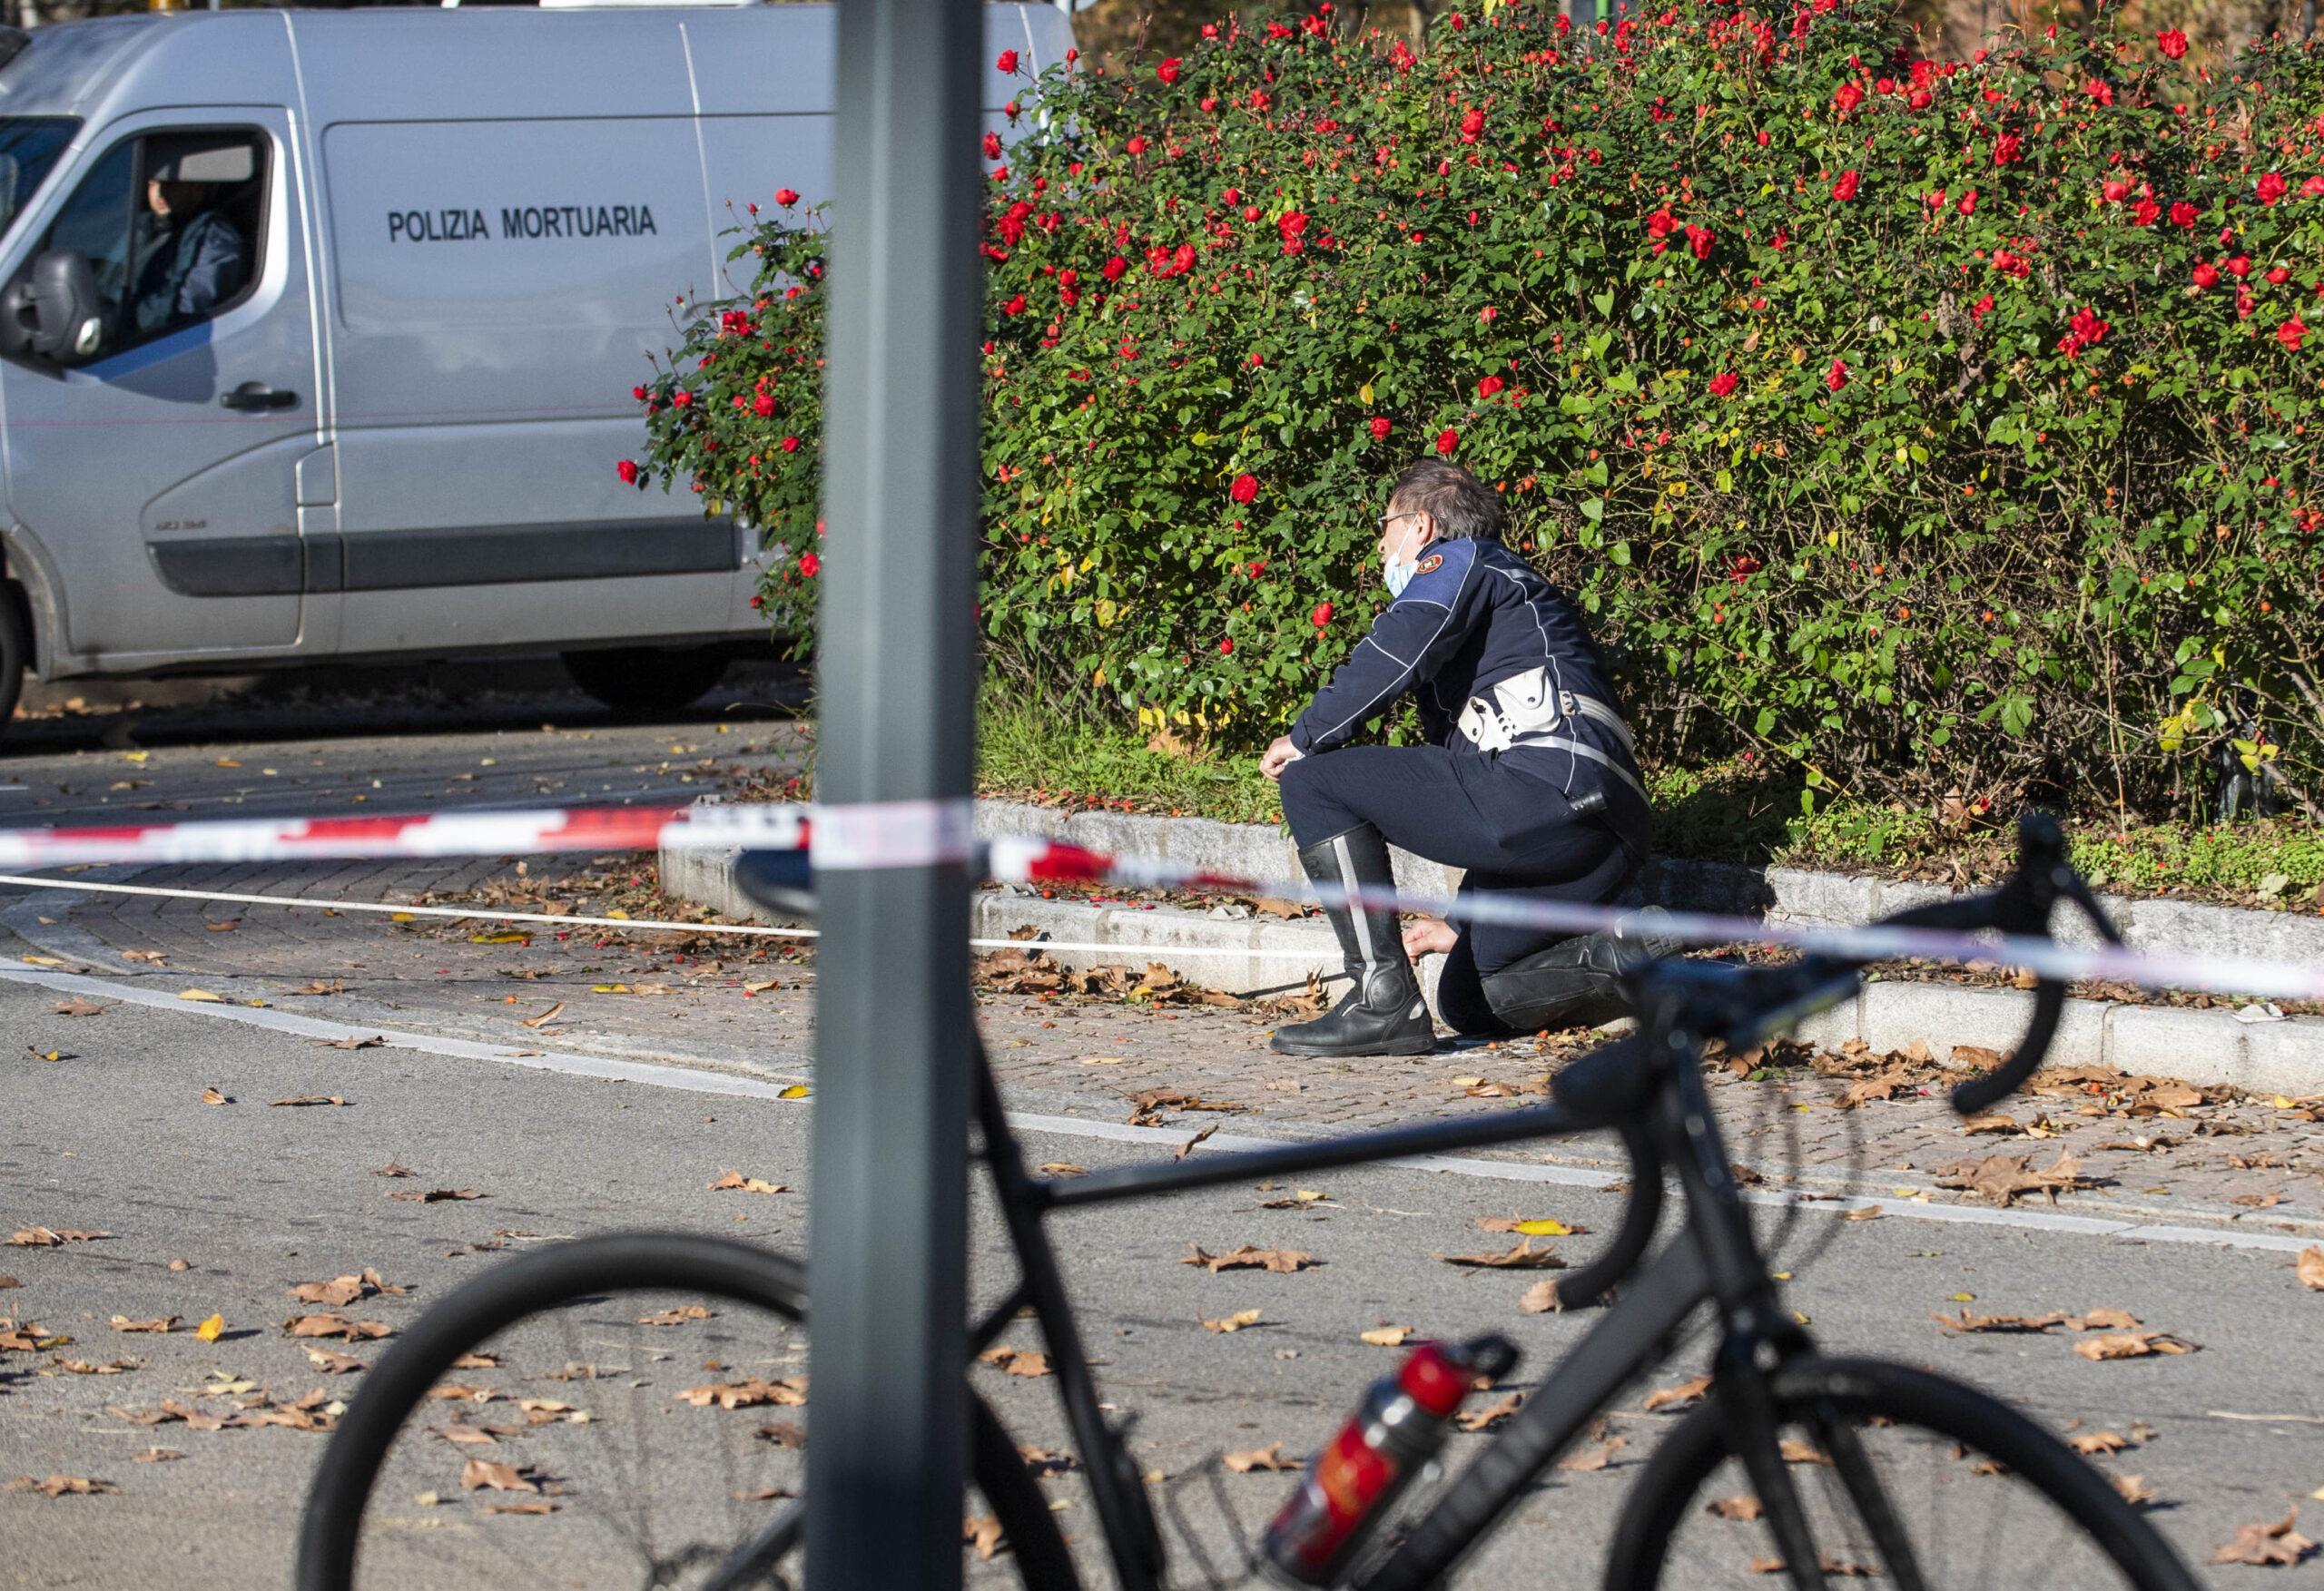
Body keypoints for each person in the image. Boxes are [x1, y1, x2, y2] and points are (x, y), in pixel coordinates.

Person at [1260, 459, 1664, 1058]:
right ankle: (1627, 953)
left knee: (1313, 781)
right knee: (1466, 998)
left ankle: (1381, 998)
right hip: (1596, 838)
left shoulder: (1462, 559)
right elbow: (1484, 799)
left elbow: (1399, 650)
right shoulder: (1506, 610)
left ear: (1421, 525)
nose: (1380, 544)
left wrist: (1308, 735)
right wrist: (1461, 920)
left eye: (1385, 525)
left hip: (1549, 787)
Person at [128, 155, 247, 339]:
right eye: (154, 184)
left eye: (171, 184)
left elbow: (188, 305)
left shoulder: (212, 236)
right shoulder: (143, 228)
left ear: (197, 188)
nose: (161, 192)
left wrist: (132, 318)